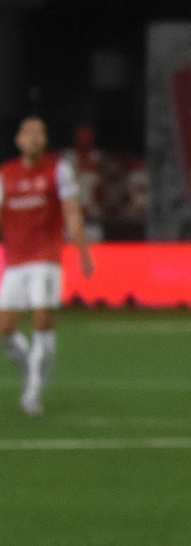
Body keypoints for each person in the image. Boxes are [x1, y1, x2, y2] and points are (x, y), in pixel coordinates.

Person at [2, 117, 94, 416]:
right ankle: (34, 369)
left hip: (46, 258)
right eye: (27, 133)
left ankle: (32, 393)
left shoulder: (58, 169)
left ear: (44, 139)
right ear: (18, 140)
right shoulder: (6, 174)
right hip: (15, 261)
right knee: (5, 329)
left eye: (39, 133)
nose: (33, 138)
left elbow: (71, 211)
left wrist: (83, 251)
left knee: (42, 320)